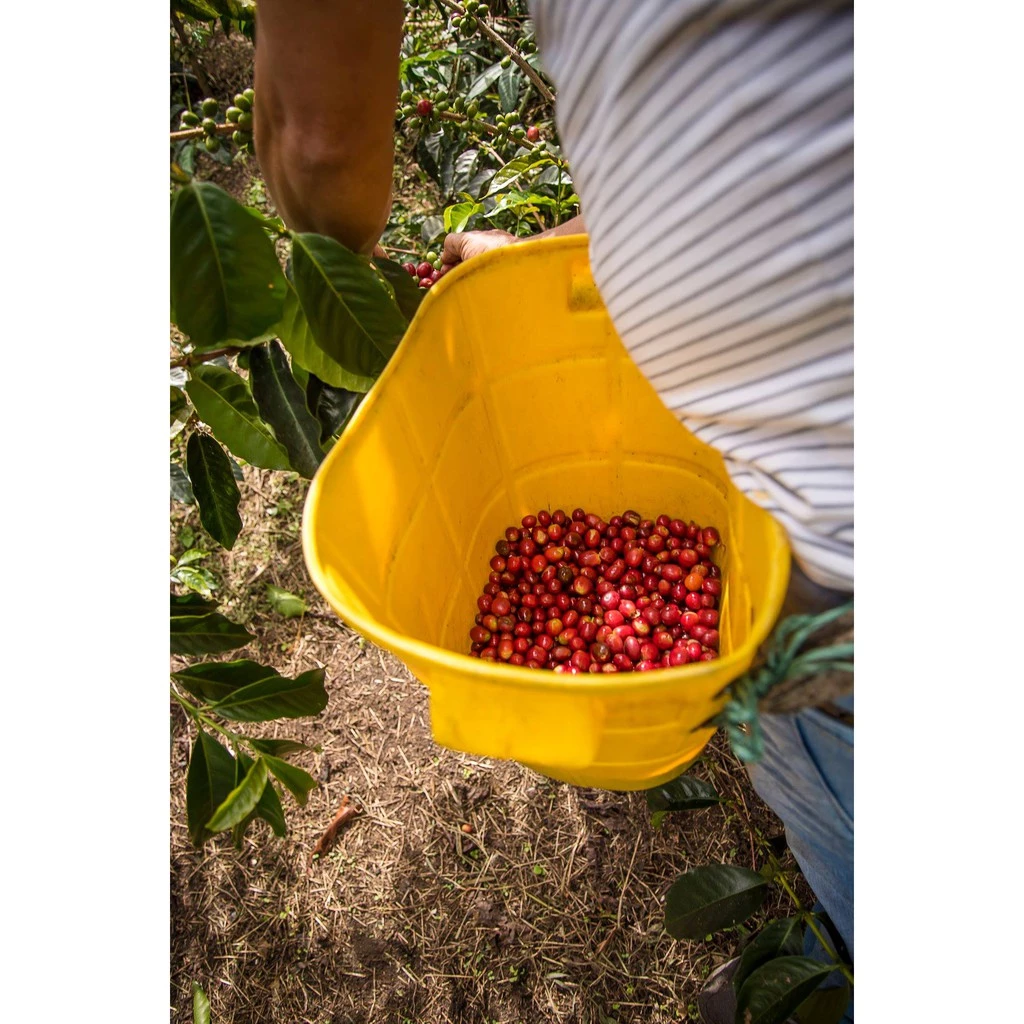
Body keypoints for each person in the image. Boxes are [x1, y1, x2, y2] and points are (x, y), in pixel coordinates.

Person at [255, 3, 853, 1020]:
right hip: (817, 493)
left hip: (836, 520)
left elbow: (318, 150)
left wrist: (329, 260)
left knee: (827, 742)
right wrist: (567, 250)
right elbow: (786, 135)